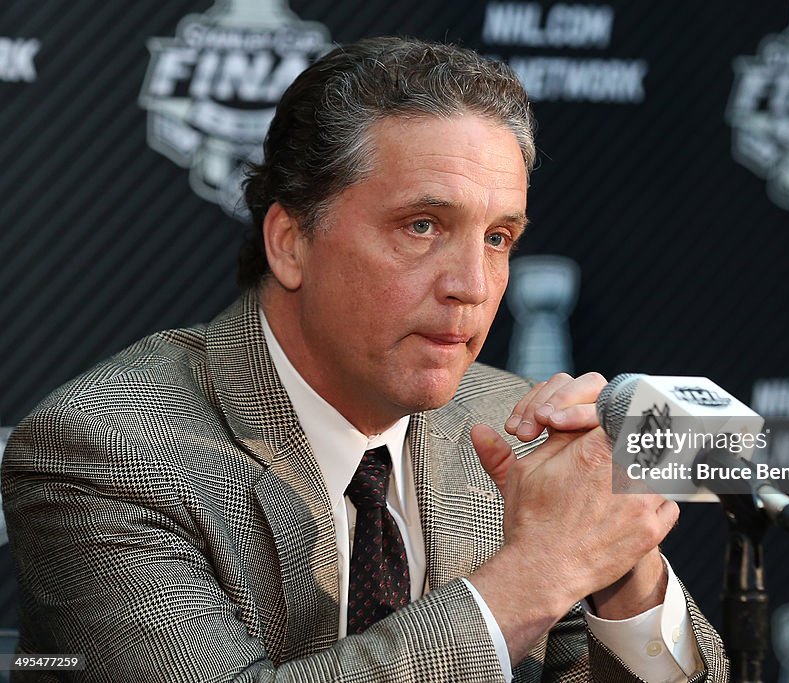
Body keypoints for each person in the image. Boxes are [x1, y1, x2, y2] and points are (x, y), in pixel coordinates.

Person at [1, 37, 727, 681]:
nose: (472, 287)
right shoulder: (108, 449)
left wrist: (618, 563)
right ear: (290, 241)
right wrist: (537, 575)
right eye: (422, 225)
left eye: (498, 237)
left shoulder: (508, 426)